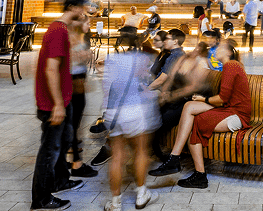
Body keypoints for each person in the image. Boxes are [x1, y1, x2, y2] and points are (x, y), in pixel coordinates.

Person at [148, 40, 251, 189]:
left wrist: (203, 99)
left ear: (228, 52)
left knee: (195, 123)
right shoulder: (232, 66)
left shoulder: (230, 66)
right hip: (230, 109)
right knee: (189, 107)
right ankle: (175, 159)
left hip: (237, 115)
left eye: (220, 48)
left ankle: (197, 174)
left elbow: (222, 99)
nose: (216, 50)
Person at [31, 0, 86, 211]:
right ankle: (41, 199)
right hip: (53, 103)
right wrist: (57, 104)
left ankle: (61, 181)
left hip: (64, 98)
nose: (85, 12)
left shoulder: (63, 30)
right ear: (73, 7)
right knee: (49, 150)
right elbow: (51, 69)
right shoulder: (56, 31)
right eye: (83, 8)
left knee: (63, 142)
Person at [101, 33, 159, 211]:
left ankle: (115, 202)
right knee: (141, 151)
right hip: (134, 110)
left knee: (117, 157)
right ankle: (142, 194)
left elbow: (106, 87)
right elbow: (144, 83)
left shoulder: (111, 59)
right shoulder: (142, 59)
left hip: (112, 112)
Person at [148, 28, 188, 159]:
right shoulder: (176, 54)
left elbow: (162, 79)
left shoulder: (175, 56)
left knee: (153, 121)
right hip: (175, 99)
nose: (165, 41)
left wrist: (145, 90)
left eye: (167, 38)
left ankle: (160, 155)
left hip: (177, 102)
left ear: (175, 41)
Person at [67, 13, 97, 179]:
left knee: (75, 124)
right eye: (88, 22)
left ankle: (70, 157)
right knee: (73, 124)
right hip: (73, 84)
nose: (90, 25)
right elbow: (71, 59)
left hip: (80, 82)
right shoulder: (72, 39)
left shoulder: (83, 37)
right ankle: (76, 164)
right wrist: (83, 56)